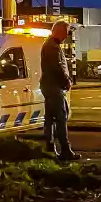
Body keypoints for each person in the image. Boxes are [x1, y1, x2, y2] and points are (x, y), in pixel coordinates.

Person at [41, 21, 78, 160]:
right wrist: (66, 81)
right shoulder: (52, 47)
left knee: (50, 119)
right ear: (59, 31)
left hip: (49, 86)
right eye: (65, 32)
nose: (66, 36)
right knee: (61, 118)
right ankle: (65, 150)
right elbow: (57, 68)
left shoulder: (50, 45)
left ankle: (50, 149)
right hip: (54, 87)